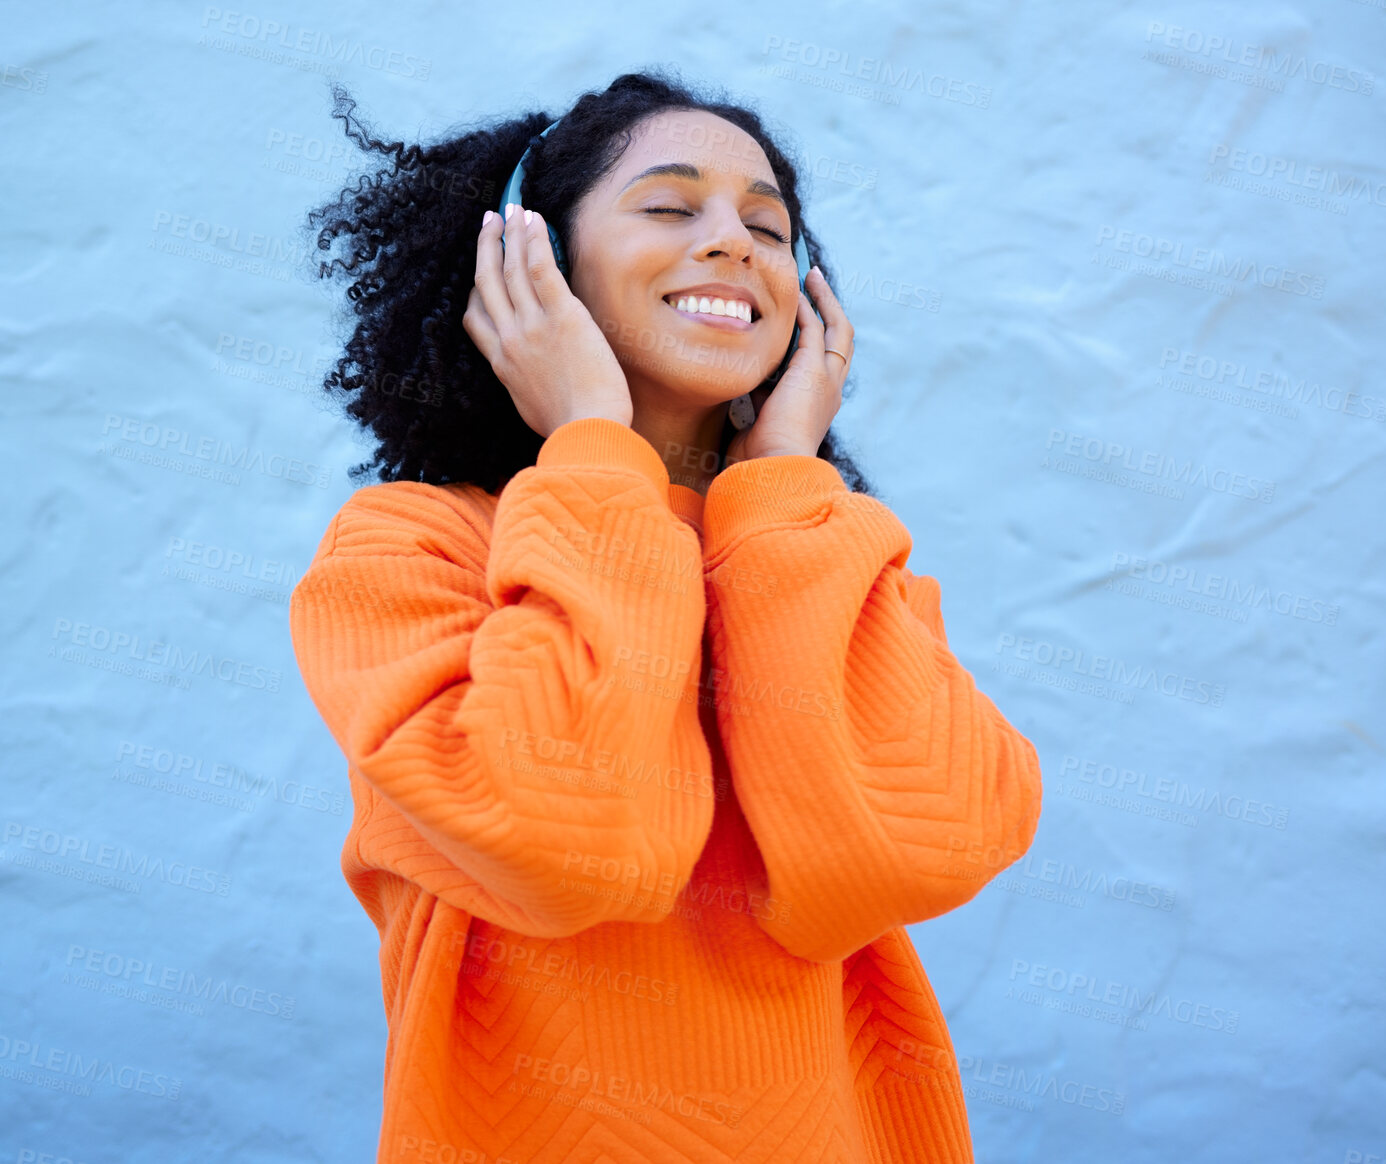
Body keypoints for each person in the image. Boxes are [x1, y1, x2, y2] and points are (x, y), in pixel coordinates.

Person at [289, 69, 1042, 1164]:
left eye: (769, 225)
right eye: (670, 205)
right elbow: (570, 844)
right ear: (526, 262)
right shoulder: (410, 549)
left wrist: (781, 478)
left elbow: (909, 857)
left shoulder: (819, 550)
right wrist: (594, 446)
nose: (735, 243)